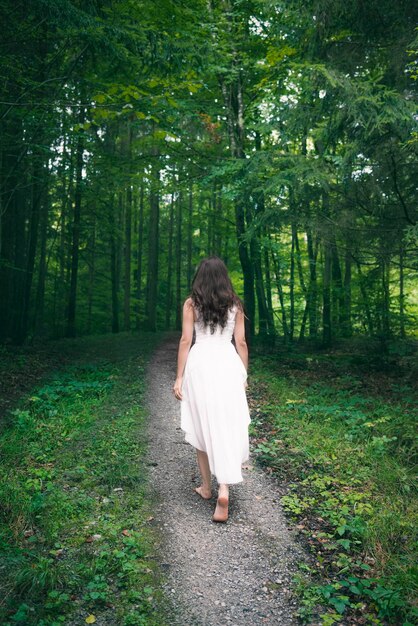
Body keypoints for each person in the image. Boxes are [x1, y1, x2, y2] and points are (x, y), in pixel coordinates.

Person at [173, 256, 251, 523]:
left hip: (201, 365)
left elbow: (186, 340)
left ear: (201, 277)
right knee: (226, 424)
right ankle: (224, 489)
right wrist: (244, 373)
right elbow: (240, 342)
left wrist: (179, 377)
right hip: (228, 365)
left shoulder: (191, 303)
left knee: (203, 423)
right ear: (224, 278)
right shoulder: (235, 304)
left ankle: (207, 488)